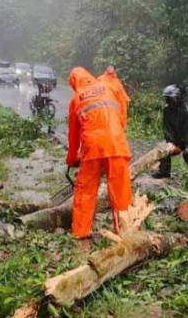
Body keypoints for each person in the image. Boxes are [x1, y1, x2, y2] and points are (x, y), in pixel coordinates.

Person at [66, 67, 132, 245]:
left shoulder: (76, 98)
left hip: (92, 147)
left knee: (85, 190)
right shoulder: (108, 87)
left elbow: (73, 135)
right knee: (120, 190)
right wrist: (117, 137)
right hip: (116, 143)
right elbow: (121, 116)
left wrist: (71, 158)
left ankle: (81, 231)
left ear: (74, 83)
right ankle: (125, 229)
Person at [153, 84, 188, 180]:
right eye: (167, 98)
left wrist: (179, 146)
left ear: (179, 98)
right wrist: (170, 144)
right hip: (179, 134)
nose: (168, 101)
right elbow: (167, 129)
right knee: (163, 149)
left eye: (171, 99)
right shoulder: (167, 111)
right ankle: (164, 172)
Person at [98, 64, 131, 130]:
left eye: (112, 68)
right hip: (104, 102)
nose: (110, 69)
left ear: (114, 70)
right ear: (106, 68)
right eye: (109, 67)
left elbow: (121, 90)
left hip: (114, 103)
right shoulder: (100, 79)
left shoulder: (116, 81)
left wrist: (126, 99)